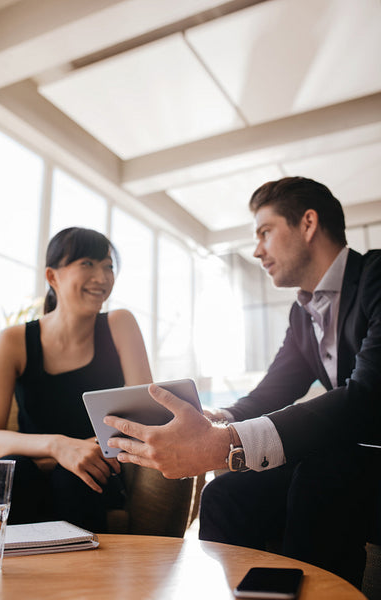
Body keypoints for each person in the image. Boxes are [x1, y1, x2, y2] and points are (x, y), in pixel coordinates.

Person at [103, 177, 381, 587]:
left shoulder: (376, 276)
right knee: (226, 493)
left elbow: (366, 398)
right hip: (349, 459)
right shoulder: (302, 314)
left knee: (322, 474)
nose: (256, 251)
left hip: (361, 458)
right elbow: (273, 391)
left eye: (265, 232)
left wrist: (226, 442)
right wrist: (214, 417)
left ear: (307, 224)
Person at [0, 227, 152, 532]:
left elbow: (145, 417)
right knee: (19, 471)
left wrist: (81, 453)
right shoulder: (14, 341)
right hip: (30, 470)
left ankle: (86, 579)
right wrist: (59, 447)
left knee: (76, 474)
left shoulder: (120, 324)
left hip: (96, 471)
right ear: (52, 276)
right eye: (87, 263)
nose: (102, 277)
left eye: (108, 266)